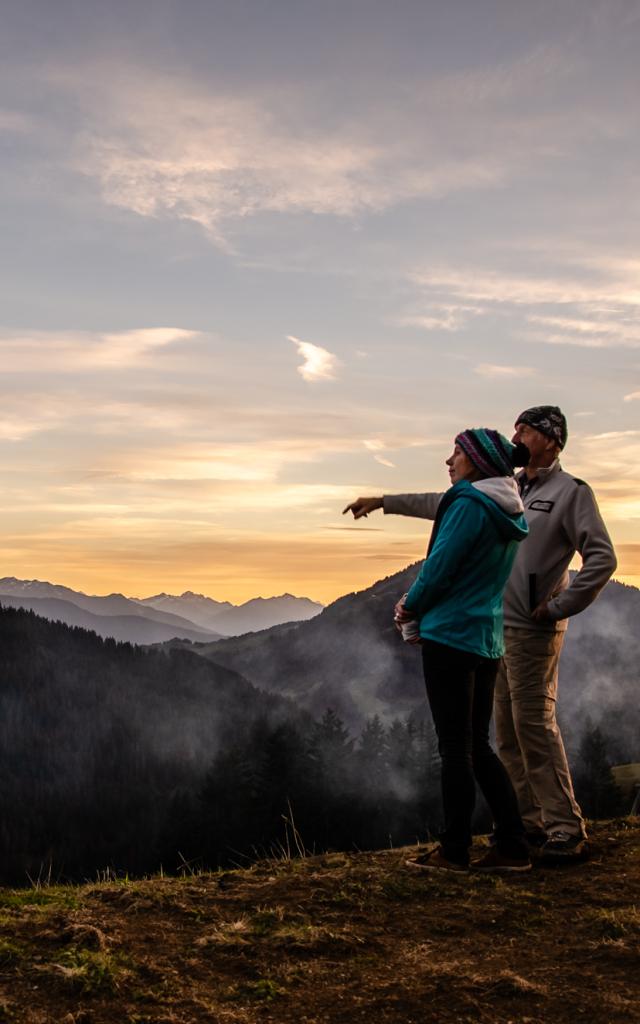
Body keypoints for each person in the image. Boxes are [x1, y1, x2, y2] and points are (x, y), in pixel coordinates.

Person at [344, 405, 617, 861]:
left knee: (533, 725)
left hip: (532, 626)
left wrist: (557, 607)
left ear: (551, 439)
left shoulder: (571, 493)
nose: (517, 438)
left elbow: (602, 558)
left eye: (526, 431)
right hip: (492, 625)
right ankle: (525, 826)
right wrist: (385, 502)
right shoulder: (507, 490)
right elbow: (446, 501)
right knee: (503, 733)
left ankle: (565, 828)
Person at [394, 427, 531, 873]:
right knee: (478, 745)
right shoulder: (507, 509)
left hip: (450, 636)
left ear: (477, 460)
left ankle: (454, 851)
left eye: (456, 452)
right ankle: (512, 845)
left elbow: (440, 567)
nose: (449, 461)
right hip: (487, 638)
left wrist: (408, 607)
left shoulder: (470, 504)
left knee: (454, 749)